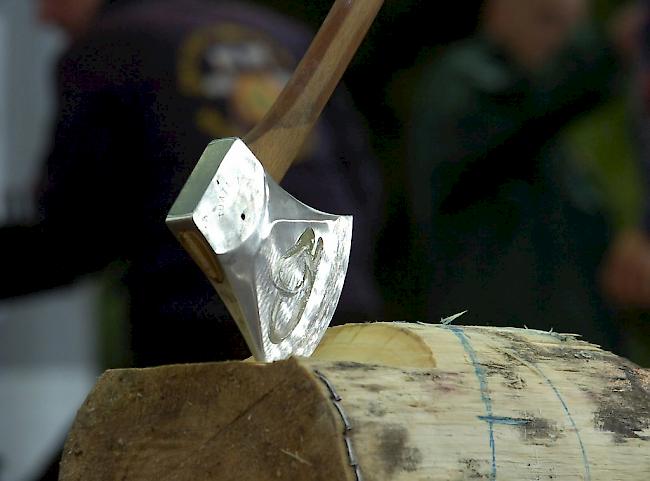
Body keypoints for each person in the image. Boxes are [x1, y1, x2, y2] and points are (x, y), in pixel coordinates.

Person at [1, 0, 384, 367]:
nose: (44, 16)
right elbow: (363, 186)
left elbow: (76, 233)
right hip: (340, 314)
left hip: (197, 328)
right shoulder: (280, 32)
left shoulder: (105, 49)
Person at [408, 0, 637, 350]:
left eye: (575, 29)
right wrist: (607, 50)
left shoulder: (549, 137)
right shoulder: (465, 87)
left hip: (563, 358)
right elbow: (521, 119)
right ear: (498, 11)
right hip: (494, 354)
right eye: (547, 20)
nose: (565, 43)